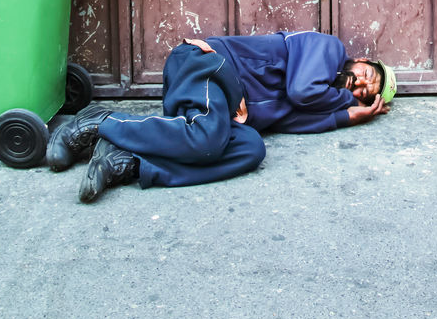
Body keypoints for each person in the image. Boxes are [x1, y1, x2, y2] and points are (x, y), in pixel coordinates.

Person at [46, 30, 396, 203]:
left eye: (368, 91)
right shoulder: (328, 47)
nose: (364, 85)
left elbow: (292, 119)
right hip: (208, 65)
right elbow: (303, 91)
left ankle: (127, 160)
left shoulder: (320, 102)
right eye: (370, 75)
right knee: (209, 137)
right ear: (362, 59)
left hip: (214, 110)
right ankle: (97, 121)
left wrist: (347, 117)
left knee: (251, 148)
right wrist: (342, 101)